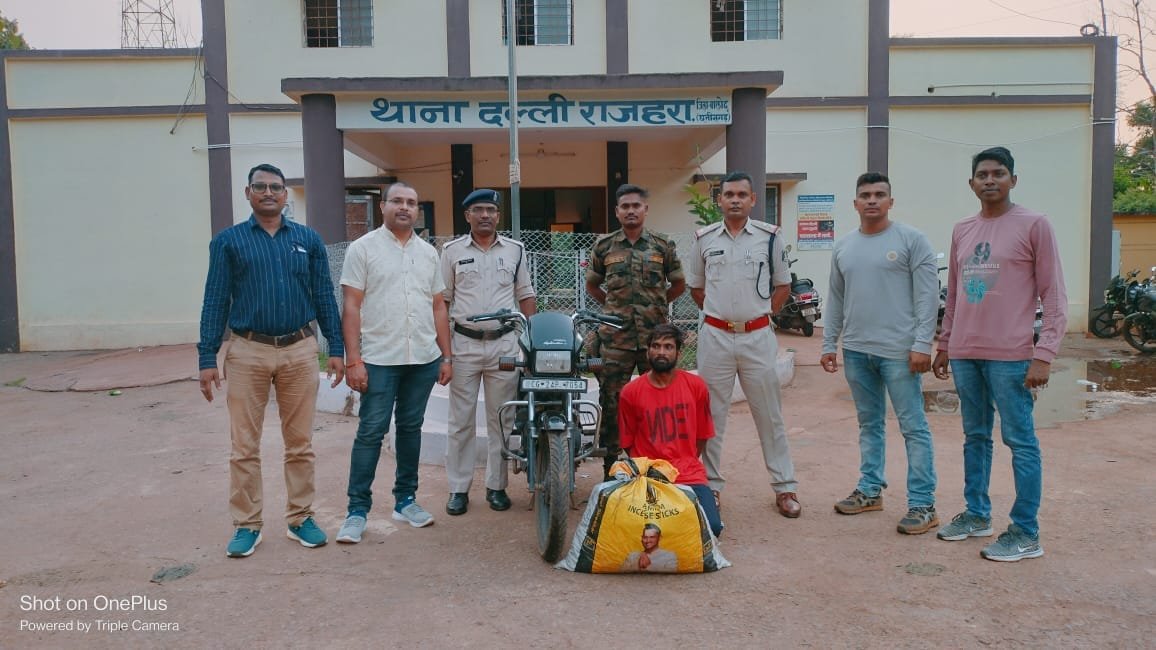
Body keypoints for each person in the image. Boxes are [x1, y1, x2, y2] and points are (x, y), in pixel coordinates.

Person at [198, 163, 345, 558]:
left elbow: (324, 295)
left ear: (284, 195)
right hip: (247, 351)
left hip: (299, 349)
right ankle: (247, 525)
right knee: (244, 446)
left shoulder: (307, 240)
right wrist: (207, 356)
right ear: (248, 193)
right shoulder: (228, 242)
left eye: (275, 187)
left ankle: (300, 518)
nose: (268, 193)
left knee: (300, 444)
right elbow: (215, 299)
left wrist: (335, 348)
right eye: (260, 186)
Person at [932, 146, 1068, 562]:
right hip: (965, 352)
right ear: (971, 183)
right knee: (975, 436)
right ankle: (977, 514)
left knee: (1020, 441)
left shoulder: (1034, 225)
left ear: (1013, 179)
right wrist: (945, 343)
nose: (990, 180)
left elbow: (1054, 294)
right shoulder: (962, 229)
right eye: (982, 174)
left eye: (998, 173)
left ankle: (1026, 532)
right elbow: (954, 294)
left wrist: (1044, 353)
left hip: (1011, 355)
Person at [820, 172, 940, 534]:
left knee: (913, 426)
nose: (872, 200)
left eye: (879, 194)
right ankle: (870, 490)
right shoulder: (844, 247)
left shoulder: (911, 240)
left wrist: (922, 344)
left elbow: (927, 296)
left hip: (899, 353)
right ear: (855, 203)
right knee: (869, 423)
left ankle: (923, 504)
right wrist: (829, 343)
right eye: (865, 195)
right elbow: (836, 298)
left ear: (891, 201)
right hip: (857, 351)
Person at [335, 182, 453, 542]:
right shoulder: (363, 249)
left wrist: (446, 355)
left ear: (417, 210)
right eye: (397, 201)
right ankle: (357, 511)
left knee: (410, 429)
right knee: (371, 431)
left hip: (423, 358)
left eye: (411, 203)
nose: (405, 207)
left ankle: (405, 501)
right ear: (382, 206)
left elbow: (438, 306)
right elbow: (352, 305)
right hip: (379, 359)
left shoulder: (429, 253)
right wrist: (353, 359)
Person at [686, 171, 801, 518]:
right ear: (719, 200)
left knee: (770, 415)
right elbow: (696, 288)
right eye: (729, 194)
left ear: (753, 200)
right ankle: (710, 487)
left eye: (741, 195)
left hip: (757, 337)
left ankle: (784, 486)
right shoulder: (704, 239)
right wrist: (721, 316)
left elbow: (783, 285)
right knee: (710, 417)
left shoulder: (770, 237)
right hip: (716, 337)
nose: (735, 200)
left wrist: (760, 316)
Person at [440, 189, 537, 515]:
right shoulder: (451, 251)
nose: (485, 215)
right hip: (464, 345)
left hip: (504, 345)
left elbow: (526, 295)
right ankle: (458, 489)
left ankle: (497, 487)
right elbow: (442, 302)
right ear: (467, 215)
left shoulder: (515, 250)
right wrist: (445, 353)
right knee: (460, 422)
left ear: (498, 215)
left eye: (491, 210)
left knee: (501, 420)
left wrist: (530, 342)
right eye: (478, 210)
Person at [585, 184, 686, 479]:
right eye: (625, 206)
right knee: (613, 403)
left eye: (636, 206)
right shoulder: (604, 246)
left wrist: (657, 306)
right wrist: (613, 308)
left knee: (658, 403)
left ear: (645, 209)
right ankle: (612, 469)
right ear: (617, 212)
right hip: (616, 340)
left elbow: (679, 284)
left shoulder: (662, 245)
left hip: (655, 341)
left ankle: (658, 467)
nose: (631, 211)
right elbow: (592, 285)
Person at [618, 323, 723, 537]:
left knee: (712, 527)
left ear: (678, 353)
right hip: (647, 476)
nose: (661, 352)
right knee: (636, 530)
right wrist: (649, 468)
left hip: (688, 474)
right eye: (656, 346)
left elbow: (702, 436)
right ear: (648, 352)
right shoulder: (630, 392)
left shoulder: (696, 386)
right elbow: (628, 443)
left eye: (668, 347)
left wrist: (685, 460)